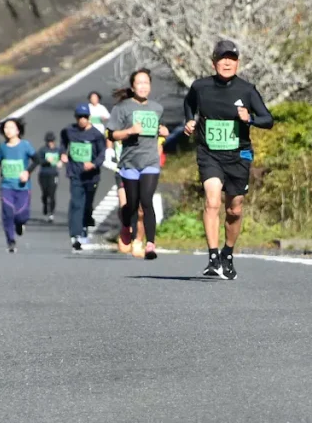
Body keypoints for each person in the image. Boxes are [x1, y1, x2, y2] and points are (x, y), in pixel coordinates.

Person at [183, 39, 274, 279]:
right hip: (209, 153)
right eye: (222, 58)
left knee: (234, 209)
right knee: (212, 201)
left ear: (238, 62)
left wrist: (250, 119)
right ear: (213, 62)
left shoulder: (246, 90)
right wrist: (190, 121)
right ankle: (213, 257)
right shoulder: (200, 87)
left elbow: (268, 119)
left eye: (231, 58)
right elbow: (188, 103)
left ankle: (228, 253)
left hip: (238, 155)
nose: (227, 62)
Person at [107, 69, 168, 261]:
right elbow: (112, 134)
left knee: (146, 201)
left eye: (146, 83)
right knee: (131, 204)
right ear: (133, 87)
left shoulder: (157, 108)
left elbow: (159, 129)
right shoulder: (122, 108)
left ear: (150, 86)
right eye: (139, 83)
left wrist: (163, 130)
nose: (143, 86)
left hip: (150, 161)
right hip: (129, 162)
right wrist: (130, 131)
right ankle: (126, 227)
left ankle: (150, 243)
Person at [60, 102, 107, 251]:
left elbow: (102, 154)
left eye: (85, 117)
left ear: (89, 118)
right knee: (76, 203)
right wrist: (62, 153)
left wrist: (93, 164)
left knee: (87, 205)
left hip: (91, 176)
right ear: (76, 117)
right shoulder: (69, 131)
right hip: (75, 173)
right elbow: (63, 142)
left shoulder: (96, 135)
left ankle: (86, 223)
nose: (82, 120)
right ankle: (76, 236)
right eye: (79, 117)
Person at [0, 118, 39, 253]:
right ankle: (10, 240)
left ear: (18, 130)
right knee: (7, 212)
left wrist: (27, 172)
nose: (8, 130)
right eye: (5, 128)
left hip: (23, 187)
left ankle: (20, 224)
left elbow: (37, 159)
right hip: (6, 186)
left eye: (11, 127)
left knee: (22, 215)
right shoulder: (3, 147)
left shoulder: (25, 145)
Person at [38, 132, 62, 222]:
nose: (50, 143)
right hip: (43, 174)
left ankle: (51, 213)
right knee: (45, 193)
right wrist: (46, 161)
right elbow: (38, 160)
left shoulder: (58, 150)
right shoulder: (42, 150)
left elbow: (63, 158)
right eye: (48, 141)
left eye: (51, 141)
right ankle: (45, 204)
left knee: (52, 194)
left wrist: (61, 162)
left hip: (53, 174)